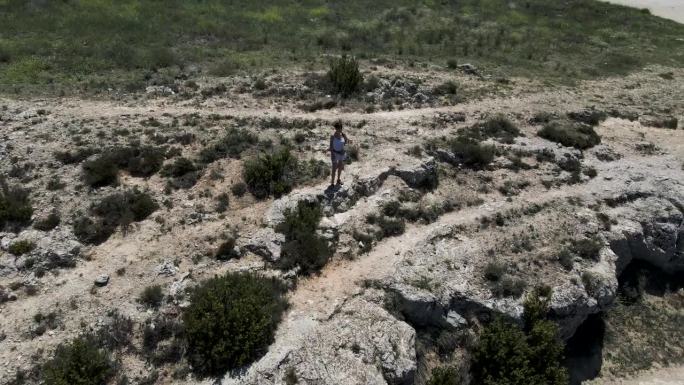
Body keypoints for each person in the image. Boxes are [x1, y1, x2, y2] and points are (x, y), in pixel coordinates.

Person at [329, 121, 350, 187]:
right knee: (334, 169)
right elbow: (331, 147)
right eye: (338, 128)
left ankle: (338, 180)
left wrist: (346, 139)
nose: (339, 130)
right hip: (335, 153)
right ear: (335, 128)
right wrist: (332, 155)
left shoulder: (343, 135)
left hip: (342, 153)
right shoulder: (332, 136)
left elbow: (346, 143)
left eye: (340, 128)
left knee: (340, 167)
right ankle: (332, 183)